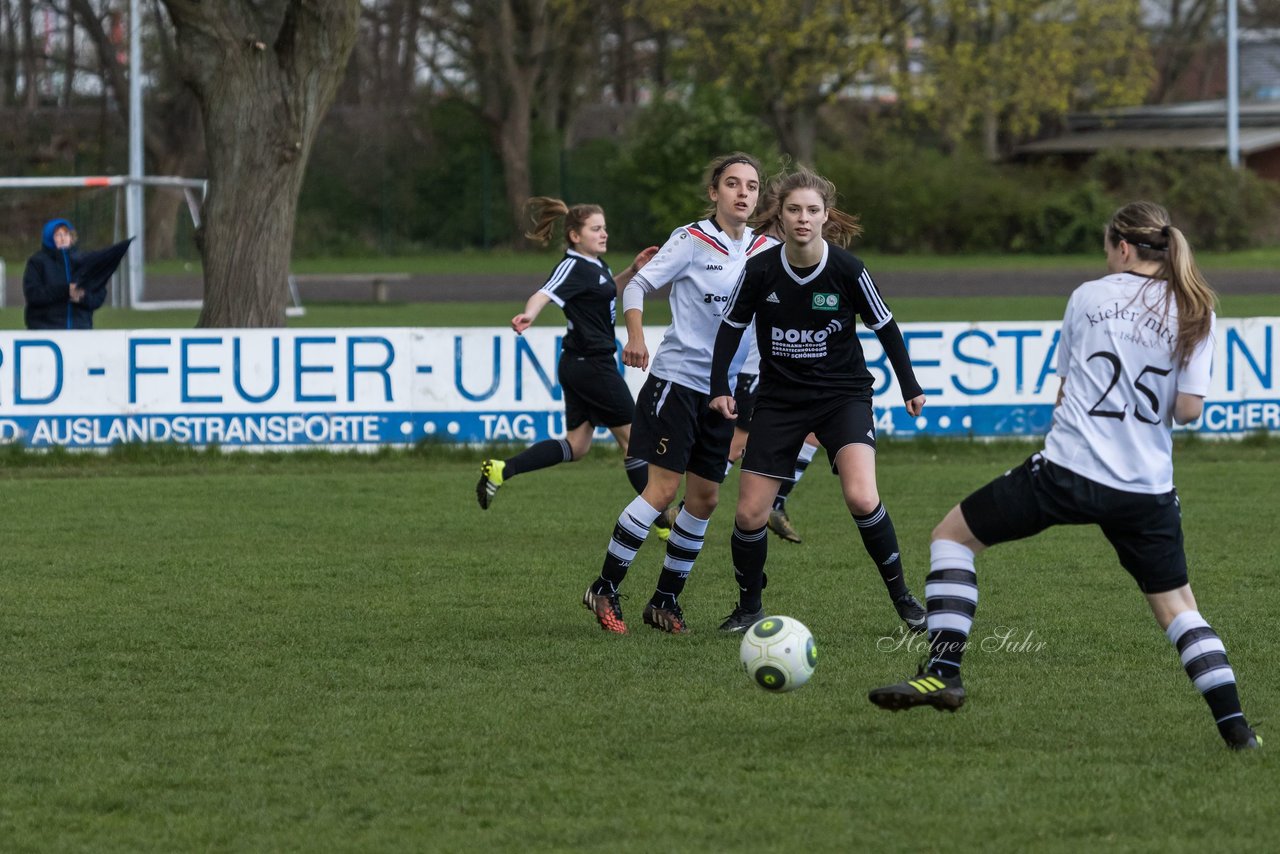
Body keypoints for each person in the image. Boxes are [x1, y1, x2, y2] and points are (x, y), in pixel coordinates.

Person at [868, 201, 1260, 751]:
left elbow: (1064, 391)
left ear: (1122, 247)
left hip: (1066, 473)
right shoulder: (1195, 305)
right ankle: (1238, 732)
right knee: (1178, 610)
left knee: (951, 539)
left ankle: (943, 671)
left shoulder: (1088, 297)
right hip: (1145, 489)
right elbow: (1190, 410)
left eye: (1107, 247)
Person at [708, 167, 928, 634]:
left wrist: (909, 385)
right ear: (780, 217)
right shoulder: (761, 269)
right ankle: (749, 608)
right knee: (750, 513)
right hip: (779, 402)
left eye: (812, 210)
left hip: (842, 397)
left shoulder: (848, 270)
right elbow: (730, 328)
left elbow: (885, 326)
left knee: (861, 496)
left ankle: (905, 599)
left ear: (826, 216)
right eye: (794, 210)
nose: (803, 219)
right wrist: (720, 386)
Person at [581, 152, 777, 634]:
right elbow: (635, 288)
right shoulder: (690, 240)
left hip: (722, 394)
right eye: (732, 184)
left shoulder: (766, 251)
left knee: (706, 499)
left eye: (751, 186)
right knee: (663, 490)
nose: (742, 193)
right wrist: (636, 337)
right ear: (715, 193)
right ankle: (604, 587)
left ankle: (665, 600)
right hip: (677, 382)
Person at [476, 198, 666, 537]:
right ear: (575, 236)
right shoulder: (572, 265)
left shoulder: (596, 265)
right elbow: (545, 293)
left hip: (584, 365)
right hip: (591, 366)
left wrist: (632, 270)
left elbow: (607, 293)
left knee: (577, 446)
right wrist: (529, 315)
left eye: (604, 227)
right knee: (635, 441)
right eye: (596, 229)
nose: (603, 233)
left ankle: (502, 470)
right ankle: (665, 524)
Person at [23, 218, 132, 330]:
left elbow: (98, 297)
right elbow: (33, 295)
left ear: (71, 237)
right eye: (58, 235)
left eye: (66, 234)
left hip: (80, 329)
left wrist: (82, 297)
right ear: (49, 238)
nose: (63, 238)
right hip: (46, 328)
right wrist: (66, 291)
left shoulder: (85, 260)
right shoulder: (37, 262)